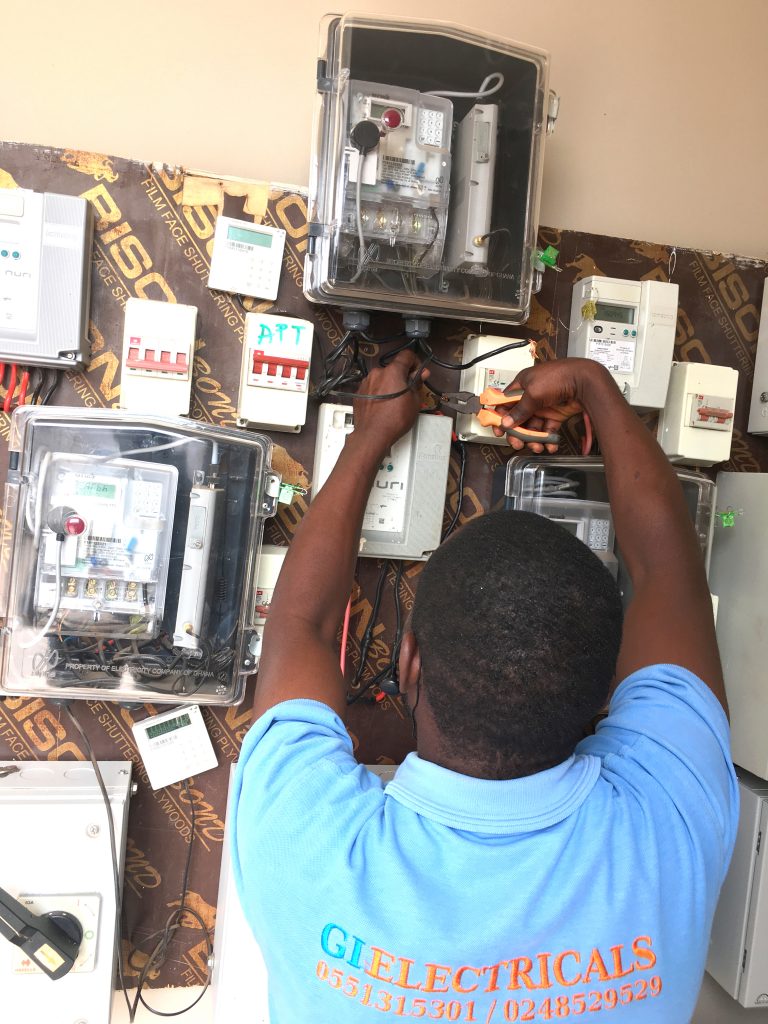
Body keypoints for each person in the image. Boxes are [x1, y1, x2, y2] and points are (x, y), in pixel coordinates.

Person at [231, 352, 738, 1023]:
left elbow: (304, 623)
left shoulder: (297, 843)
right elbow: (668, 570)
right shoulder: (670, 823)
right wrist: (593, 386)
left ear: (409, 663)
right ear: (606, 695)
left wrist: (373, 434)